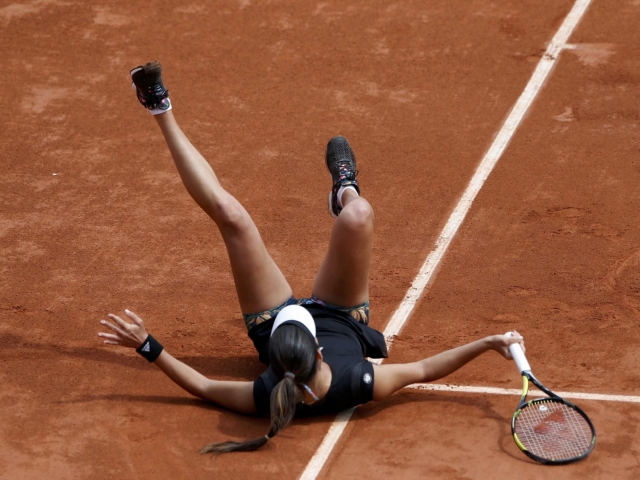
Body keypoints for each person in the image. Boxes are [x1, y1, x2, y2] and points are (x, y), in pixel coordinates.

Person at [98, 61, 526, 454]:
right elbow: (425, 369)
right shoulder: (359, 381)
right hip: (341, 314)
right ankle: (345, 191)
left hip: (271, 318)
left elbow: (205, 387)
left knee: (231, 216)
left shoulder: (268, 392)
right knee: (359, 216)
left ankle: (159, 108)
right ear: (319, 353)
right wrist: (487, 343)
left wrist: (147, 345)